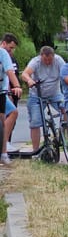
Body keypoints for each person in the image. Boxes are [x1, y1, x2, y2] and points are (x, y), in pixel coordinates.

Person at [0, 34, 24, 164]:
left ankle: (4, 150)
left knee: (10, 114)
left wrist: (16, 86)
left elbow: (10, 72)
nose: (11, 51)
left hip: (2, 92)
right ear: (3, 43)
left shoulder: (5, 55)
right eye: (10, 48)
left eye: (13, 49)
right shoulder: (3, 52)